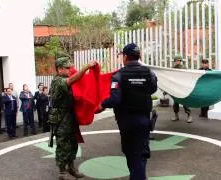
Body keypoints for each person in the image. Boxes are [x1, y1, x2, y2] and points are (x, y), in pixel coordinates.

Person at [96, 43, 158, 180]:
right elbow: (153, 89)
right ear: (139, 56)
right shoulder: (149, 73)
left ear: (125, 57)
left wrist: (102, 105)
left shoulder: (119, 76)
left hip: (127, 122)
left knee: (131, 154)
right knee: (140, 154)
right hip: (143, 121)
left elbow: (115, 99)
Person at [49, 56, 96, 180]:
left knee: (72, 143)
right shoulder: (58, 81)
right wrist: (86, 67)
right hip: (61, 119)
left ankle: (71, 167)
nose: (70, 69)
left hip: (70, 117)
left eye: (71, 67)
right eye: (67, 68)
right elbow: (73, 80)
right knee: (63, 145)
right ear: (59, 69)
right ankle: (62, 172)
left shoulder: (65, 78)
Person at [171, 55, 193, 123]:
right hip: (175, 88)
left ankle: (189, 116)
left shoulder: (184, 68)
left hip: (182, 87)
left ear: (180, 61)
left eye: (178, 60)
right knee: (175, 102)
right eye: (176, 60)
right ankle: (176, 115)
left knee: (185, 102)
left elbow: (186, 77)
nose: (177, 61)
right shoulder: (172, 68)